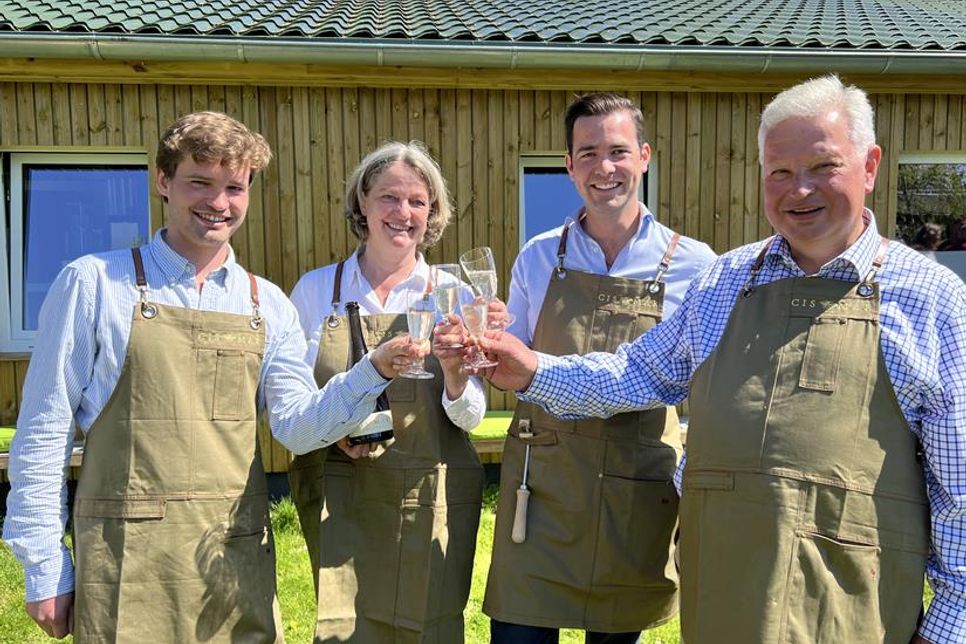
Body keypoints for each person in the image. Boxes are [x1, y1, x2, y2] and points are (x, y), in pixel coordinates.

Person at [476, 75, 965, 644]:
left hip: (853, 612)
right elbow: (636, 372)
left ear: (870, 166)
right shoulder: (726, 282)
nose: (799, 189)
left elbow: (960, 489)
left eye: (823, 166)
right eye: (780, 172)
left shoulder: (932, 300)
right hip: (724, 601)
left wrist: (947, 627)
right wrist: (533, 370)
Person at [2, 112, 414, 642]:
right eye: (200, 182)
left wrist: (371, 372)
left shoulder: (267, 304)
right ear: (163, 181)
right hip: (126, 567)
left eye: (234, 187)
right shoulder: (95, 283)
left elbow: (296, 428)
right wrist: (44, 565)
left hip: (234, 566)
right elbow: (44, 429)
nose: (218, 202)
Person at [482, 92, 716, 643]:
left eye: (617, 151)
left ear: (644, 157)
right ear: (568, 165)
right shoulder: (539, 256)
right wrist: (481, 344)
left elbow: (710, 388)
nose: (603, 168)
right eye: (587, 154)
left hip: (635, 493)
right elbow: (508, 359)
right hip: (541, 493)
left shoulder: (696, 265)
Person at [288, 141, 486, 643]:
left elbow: (472, 417)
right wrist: (333, 430)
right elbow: (290, 403)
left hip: (429, 494)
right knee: (346, 627)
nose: (404, 213)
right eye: (389, 198)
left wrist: (455, 375)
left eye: (418, 201)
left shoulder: (454, 294)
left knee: (430, 627)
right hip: (341, 491)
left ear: (432, 212)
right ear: (362, 200)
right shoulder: (316, 290)